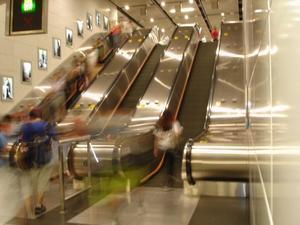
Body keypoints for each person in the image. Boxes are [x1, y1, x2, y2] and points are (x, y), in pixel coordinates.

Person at [19, 108, 56, 216]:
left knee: (29, 184)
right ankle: (38, 206)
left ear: (30, 116)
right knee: (42, 182)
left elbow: (21, 141)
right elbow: (56, 137)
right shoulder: (47, 125)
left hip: (28, 159)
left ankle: (29, 210)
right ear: (41, 116)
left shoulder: (25, 126)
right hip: (45, 158)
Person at [0, 115, 22, 224]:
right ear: (4, 125)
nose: (10, 128)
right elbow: (4, 150)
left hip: (4, 168)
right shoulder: (1, 136)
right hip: (2, 168)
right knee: (4, 191)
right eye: (9, 125)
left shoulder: (3, 136)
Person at [153, 110, 183, 187]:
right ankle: (170, 180)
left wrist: (156, 149)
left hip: (162, 147)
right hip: (171, 147)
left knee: (169, 162)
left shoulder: (160, 123)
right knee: (170, 162)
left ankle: (169, 180)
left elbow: (157, 137)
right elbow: (177, 134)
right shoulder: (175, 123)